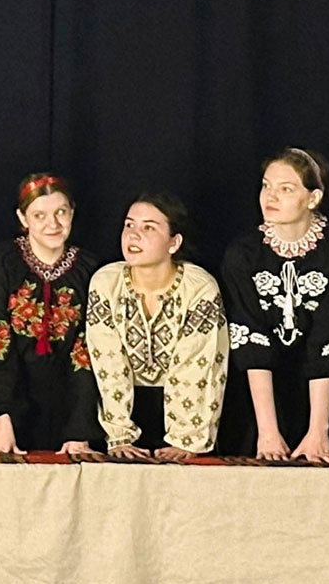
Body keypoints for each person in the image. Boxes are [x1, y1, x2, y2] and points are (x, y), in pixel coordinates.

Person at [220, 149, 329, 463]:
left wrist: (318, 430)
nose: (270, 197)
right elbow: (249, 337)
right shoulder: (243, 253)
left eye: (285, 189)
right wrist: (267, 432)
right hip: (262, 399)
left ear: (313, 198)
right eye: (266, 185)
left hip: (324, 397)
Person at [85, 192, 229, 461]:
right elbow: (107, 362)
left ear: (174, 242)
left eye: (148, 228)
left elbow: (197, 366)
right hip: (121, 410)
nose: (133, 235)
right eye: (129, 225)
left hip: (190, 412)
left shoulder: (198, 288)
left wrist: (186, 439)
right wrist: (118, 436)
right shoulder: (106, 282)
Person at [0, 173, 103, 453]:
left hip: (73, 412)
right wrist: (2, 421)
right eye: (39, 215)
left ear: (72, 213)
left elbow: (87, 352)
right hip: (11, 413)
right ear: (23, 218)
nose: (53, 224)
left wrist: (80, 431)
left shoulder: (90, 268)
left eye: (61, 212)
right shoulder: (2, 263)